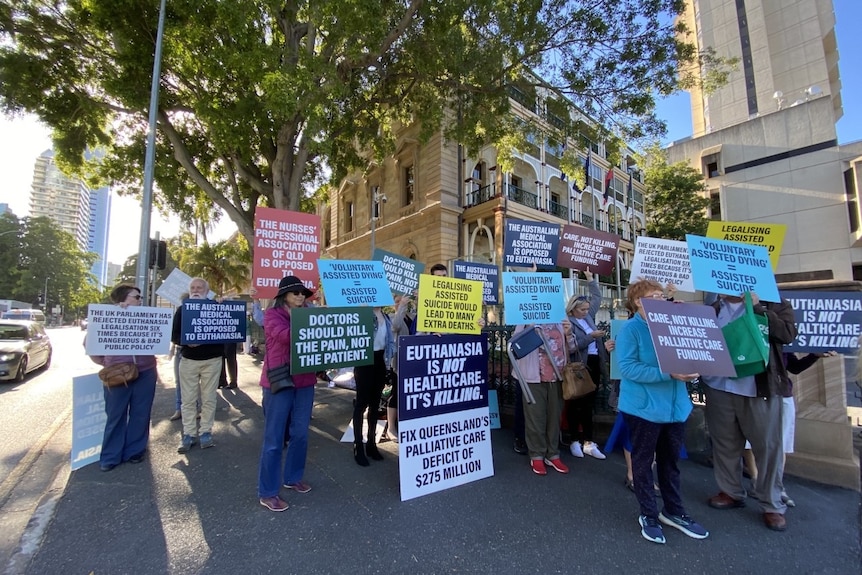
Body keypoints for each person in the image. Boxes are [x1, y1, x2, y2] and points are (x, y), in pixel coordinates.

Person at [616, 279, 708, 544]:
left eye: (661, 295)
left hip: (675, 409)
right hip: (643, 409)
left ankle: (674, 512)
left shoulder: (673, 323)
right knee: (643, 464)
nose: (661, 298)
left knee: (670, 463)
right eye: (655, 295)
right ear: (638, 302)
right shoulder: (631, 330)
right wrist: (668, 373)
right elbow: (628, 368)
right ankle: (648, 514)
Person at [702, 291, 797, 532]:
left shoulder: (773, 303)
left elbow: (787, 334)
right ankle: (730, 491)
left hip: (758, 389)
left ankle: (772, 504)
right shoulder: (713, 308)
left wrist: (758, 309)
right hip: (719, 386)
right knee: (724, 443)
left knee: (767, 446)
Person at [257, 276, 317, 512]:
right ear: (284, 296)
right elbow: (287, 337)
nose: (301, 296)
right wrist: (301, 321)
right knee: (274, 439)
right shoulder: (273, 316)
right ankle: (268, 491)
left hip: (305, 381)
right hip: (279, 382)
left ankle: (293, 478)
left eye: (303, 293)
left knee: (300, 433)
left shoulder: (311, 315)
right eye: (295, 293)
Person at [87, 285, 157, 471]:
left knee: (141, 413)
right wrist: (108, 363)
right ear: (123, 299)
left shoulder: (145, 316)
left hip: (146, 370)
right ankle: (110, 456)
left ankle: (135, 451)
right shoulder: (106, 317)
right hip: (117, 374)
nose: (140, 300)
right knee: (115, 414)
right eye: (136, 297)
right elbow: (90, 344)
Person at [512, 321, 574, 475]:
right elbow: (514, 345)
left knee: (555, 415)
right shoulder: (525, 318)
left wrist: (568, 334)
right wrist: (530, 329)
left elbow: (571, 348)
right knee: (535, 415)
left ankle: (553, 453)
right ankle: (537, 454)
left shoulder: (560, 318)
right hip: (534, 376)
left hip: (557, 375)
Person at [171, 277, 225, 453]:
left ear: (206, 291)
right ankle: (188, 434)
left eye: (200, 287)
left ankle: (205, 433)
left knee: (209, 399)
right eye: (193, 287)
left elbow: (227, 331)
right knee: (188, 400)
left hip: (212, 360)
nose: (196, 290)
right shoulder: (181, 310)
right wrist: (186, 342)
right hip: (188, 360)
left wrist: (224, 307)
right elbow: (174, 335)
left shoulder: (217, 308)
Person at [564, 268, 607, 460]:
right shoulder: (568, 322)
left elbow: (597, 297)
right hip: (578, 367)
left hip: (594, 363)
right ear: (573, 309)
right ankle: (574, 440)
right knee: (576, 403)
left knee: (589, 404)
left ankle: (589, 442)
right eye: (582, 310)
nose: (586, 312)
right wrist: (591, 337)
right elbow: (572, 347)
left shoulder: (588, 316)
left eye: (587, 309)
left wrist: (590, 278)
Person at [352, 305, 395, 466]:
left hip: (380, 362)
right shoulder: (364, 315)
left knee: (375, 404)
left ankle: (371, 443)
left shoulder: (387, 317)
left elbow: (389, 343)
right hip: (364, 362)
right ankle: (358, 445)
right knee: (361, 404)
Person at [386, 293, 415, 442]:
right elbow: (395, 327)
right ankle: (391, 428)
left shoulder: (411, 314)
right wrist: (401, 306)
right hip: (398, 362)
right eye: (396, 301)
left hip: (414, 361)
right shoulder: (391, 317)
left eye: (401, 301)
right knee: (396, 392)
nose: (399, 303)